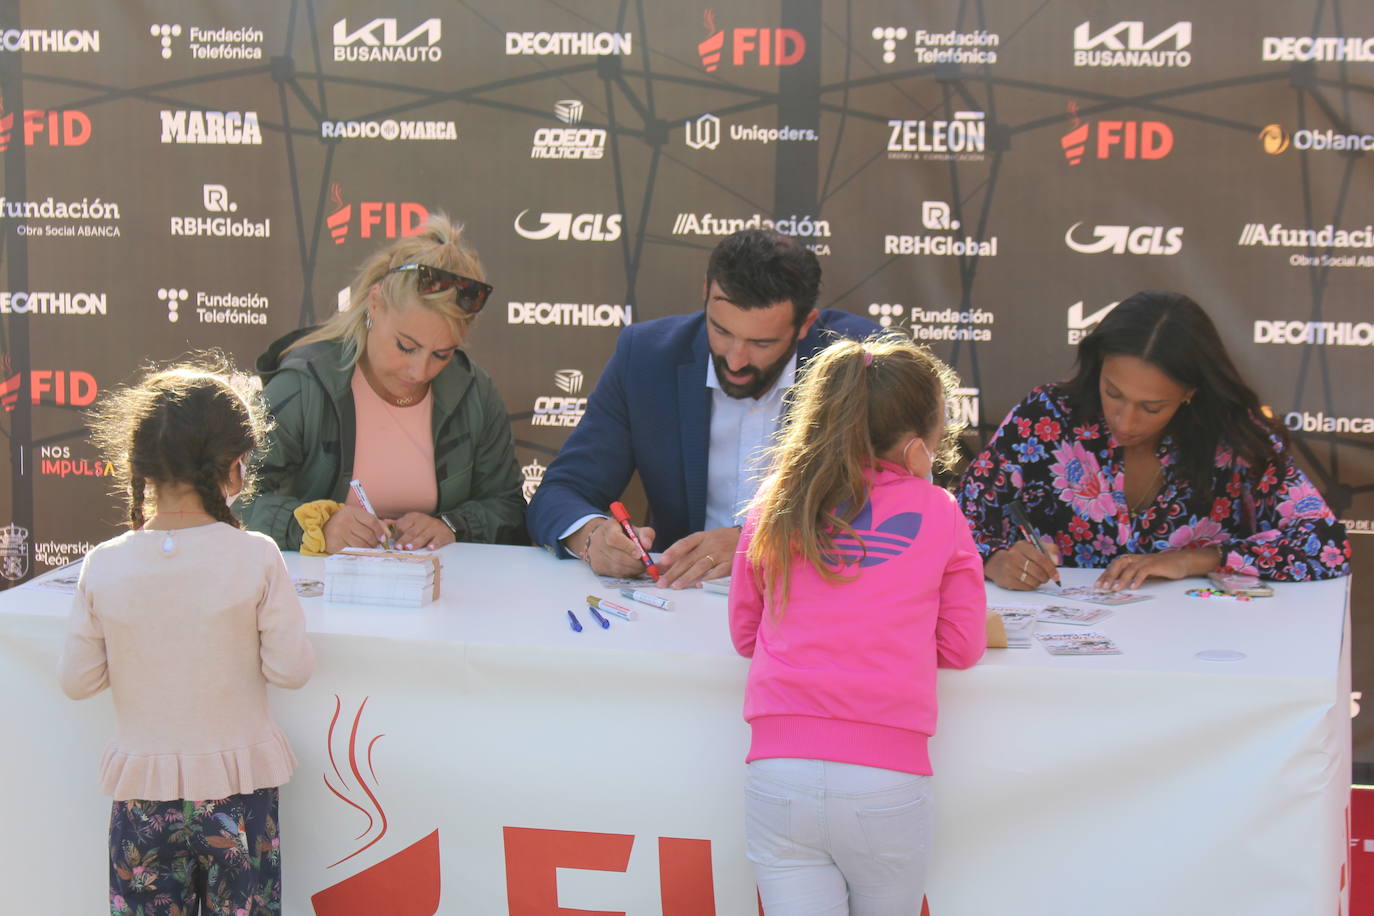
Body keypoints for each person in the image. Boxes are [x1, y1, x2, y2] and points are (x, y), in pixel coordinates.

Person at [729, 336, 986, 914]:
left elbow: (746, 634)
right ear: (919, 447)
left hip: (778, 773)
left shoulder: (776, 502)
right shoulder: (941, 512)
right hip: (887, 782)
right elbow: (963, 646)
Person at [57, 360, 315, 915]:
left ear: (141, 464)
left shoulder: (103, 564)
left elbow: (77, 681)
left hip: (141, 802)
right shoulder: (256, 556)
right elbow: (292, 670)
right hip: (238, 798)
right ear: (235, 465)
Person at [526, 228, 876, 587]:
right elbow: (561, 491)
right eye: (721, 331)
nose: (736, 360)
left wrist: (762, 540)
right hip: (682, 602)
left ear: (805, 325)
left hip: (817, 595)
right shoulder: (647, 358)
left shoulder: (861, 361)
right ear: (705, 291)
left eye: (761, 343)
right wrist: (593, 537)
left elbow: (902, 508)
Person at [957, 290, 1351, 591]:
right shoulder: (1045, 418)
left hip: (1200, 657)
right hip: (1062, 661)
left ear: (1190, 392)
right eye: (1113, 393)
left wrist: (1195, 561)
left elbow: (1324, 544)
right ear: (1097, 366)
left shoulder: (1234, 437)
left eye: (1152, 407)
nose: (1124, 420)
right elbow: (956, 523)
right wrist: (993, 560)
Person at [239, 213, 526, 554]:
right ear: (374, 303)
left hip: (436, 594)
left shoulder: (473, 391)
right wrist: (316, 526)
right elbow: (233, 498)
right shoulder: (305, 385)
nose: (419, 371)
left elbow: (509, 507)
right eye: (406, 346)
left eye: (442, 354)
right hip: (317, 595)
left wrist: (452, 525)